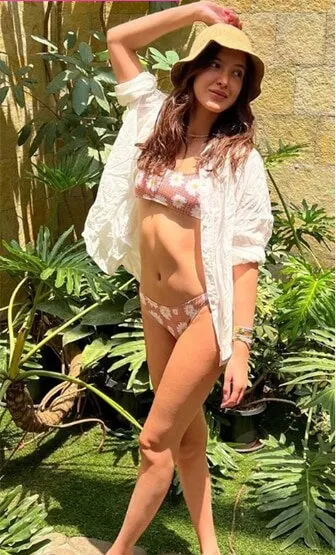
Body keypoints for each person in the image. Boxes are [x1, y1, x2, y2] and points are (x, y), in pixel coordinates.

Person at [83, 3, 271, 554]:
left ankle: (117, 551)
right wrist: (195, 10)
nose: (225, 80)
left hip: (202, 313)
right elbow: (119, 39)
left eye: (237, 73)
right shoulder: (151, 119)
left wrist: (239, 347)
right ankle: (210, 548)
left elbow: (245, 258)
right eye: (215, 64)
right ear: (191, 68)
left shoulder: (238, 160)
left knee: (153, 442)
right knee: (188, 439)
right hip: (154, 304)